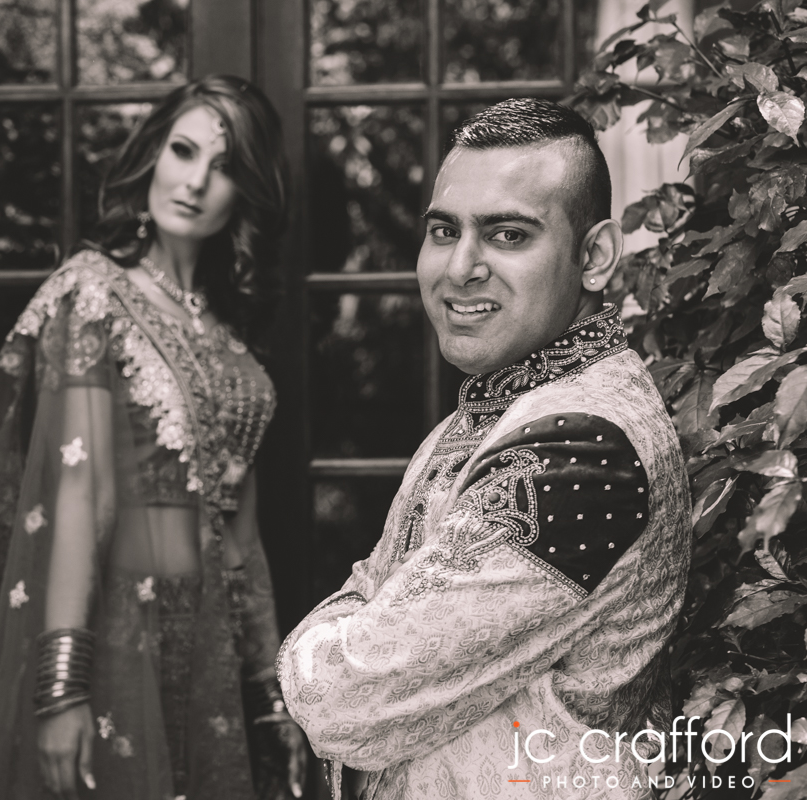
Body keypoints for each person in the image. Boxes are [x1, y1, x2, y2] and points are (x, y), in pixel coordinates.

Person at [0, 74, 308, 800]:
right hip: (119, 636)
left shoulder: (226, 334)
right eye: (183, 151)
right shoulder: (95, 294)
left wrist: (270, 696)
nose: (195, 181)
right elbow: (81, 488)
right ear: (153, 155)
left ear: (248, 192)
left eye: (224, 166)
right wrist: (61, 684)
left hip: (213, 652)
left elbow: (241, 540)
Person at [278, 98, 691, 799]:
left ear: (594, 257)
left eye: (507, 235)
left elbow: (343, 699)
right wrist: (367, 617)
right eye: (444, 231)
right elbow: (374, 597)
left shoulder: (580, 450)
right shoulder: (499, 407)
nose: (460, 267)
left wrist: (322, 640)